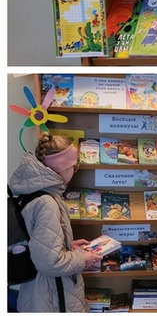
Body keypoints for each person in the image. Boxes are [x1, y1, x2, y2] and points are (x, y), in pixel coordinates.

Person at [8, 133, 103, 312]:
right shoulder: (47, 202)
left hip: (40, 292)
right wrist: (83, 258)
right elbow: (50, 263)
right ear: (62, 168)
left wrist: (68, 245)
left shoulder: (32, 192)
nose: (74, 171)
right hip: (53, 297)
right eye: (74, 167)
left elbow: (38, 243)